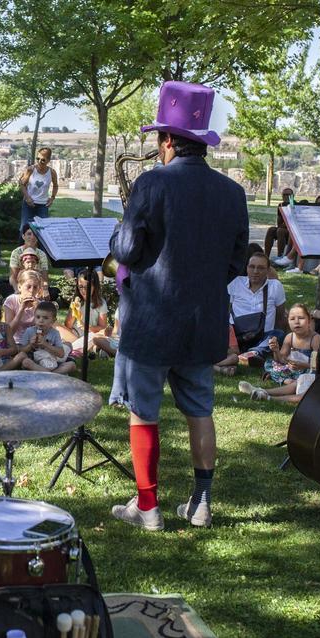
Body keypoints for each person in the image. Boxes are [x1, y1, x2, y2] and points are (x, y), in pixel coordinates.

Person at [108, 82, 248, 532]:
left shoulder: (151, 183)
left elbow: (127, 251)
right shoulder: (233, 192)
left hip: (151, 321)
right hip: (202, 321)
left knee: (143, 413)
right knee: (200, 411)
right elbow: (236, 260)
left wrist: (116, 235)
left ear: (167, 140)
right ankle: (201, 504)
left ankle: (148, 508)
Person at [213, 252, 286, 375]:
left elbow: (280, 316)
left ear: (268, 270)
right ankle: (245, 355)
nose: (255, 271)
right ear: (246, 268)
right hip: (238, 335)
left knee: (278, 334)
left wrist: (278, 344)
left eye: (261, 268)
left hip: (263, 336)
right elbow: (222, 309)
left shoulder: (275, 286)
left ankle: (252, 353)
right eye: (252, 267)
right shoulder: (236, 283)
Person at [59, 268, 109, 358]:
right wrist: (75, 310)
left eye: (87, 287)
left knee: (106, 332)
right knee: (56, 326)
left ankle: (86, 348)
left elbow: (102, 327)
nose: (83, 290)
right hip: (74, 335)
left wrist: (86, 327)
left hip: (92, 333)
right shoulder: (76, 300)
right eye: (80, 287)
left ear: (95, 286)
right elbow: (68, 325)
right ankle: (91, 348)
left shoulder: (100, 303)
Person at [19, 301, 76, 374]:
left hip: (53, 361)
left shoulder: (55, 333)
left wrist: (45, 344)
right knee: (25, 362)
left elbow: (61, 354)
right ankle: (54, 375)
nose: (41, 320)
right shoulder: (29, 331)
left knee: (71, 365)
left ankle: (50, 374)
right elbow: (21, 350)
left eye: (45, 318)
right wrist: (30, 345)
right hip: (35, 362)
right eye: (38, 317)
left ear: (53, 321)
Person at [18, 147, 59, 235]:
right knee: (24, 228)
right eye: (38, 158)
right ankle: (22, 248)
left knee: (42, 230)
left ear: (48, 160)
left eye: (43, 160)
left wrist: (52, 198)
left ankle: (40, 249)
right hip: (29, 204)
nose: (40, 161)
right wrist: (27, 198)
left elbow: (55, 186)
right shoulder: (31, 169)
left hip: (43, 205)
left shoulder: (52, 172)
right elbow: (22, 184)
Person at [2, 270, 44, 344]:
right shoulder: (12, 300)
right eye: (28, 287)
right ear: (19, 287)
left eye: (35, 287)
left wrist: (38, 311)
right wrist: (21, 309)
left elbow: (44, 331)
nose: (31, 291)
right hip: (15, 342)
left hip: (33, 343)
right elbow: (9, 332)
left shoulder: (40, 305)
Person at [9, 223, 51, 289]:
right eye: (29, 234)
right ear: (23, 236)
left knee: (54, 292)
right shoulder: (16, 252)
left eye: (35, 234)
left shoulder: (42, 254)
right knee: (4, 288)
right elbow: (13, 277)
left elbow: (45, 278)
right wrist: (17, 290)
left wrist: (44, 290)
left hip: (36, 286)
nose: (32, 237)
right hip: (20, 285)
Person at [266, 188, 294, 264]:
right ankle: (266, 256)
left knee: (280, 231)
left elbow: (293, 222)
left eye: (288, 194)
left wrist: (283, 225)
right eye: (284, 194)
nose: (286, 196)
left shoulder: (294, 205)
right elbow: (279, 221)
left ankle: (280, 256)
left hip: (292, 231)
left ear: (292, 196)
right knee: (271, 229)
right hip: (283, 228)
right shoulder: (281, 205)